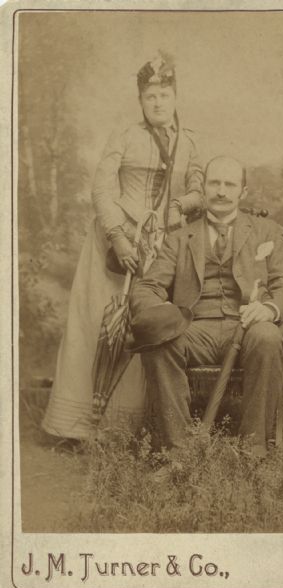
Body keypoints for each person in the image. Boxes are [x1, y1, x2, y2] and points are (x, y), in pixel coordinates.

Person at [42, 51, 204, 440]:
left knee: (144, 326)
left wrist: (181, 205)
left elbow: (199, 186)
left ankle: (130, 428)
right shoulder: (125, 135)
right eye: (150, 97)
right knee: (101, 327)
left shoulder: (190, 142)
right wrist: (118, 235)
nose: (158, 103)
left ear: (176, 97)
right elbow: (101, 188)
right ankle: (80, 426)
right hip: (115, 247)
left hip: (160, 248)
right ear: (140, 102)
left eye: (164, 95)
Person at [130, 156, 283, 458]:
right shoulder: (179, 239)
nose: (221, 191)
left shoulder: (267, 232)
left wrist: (270, 309)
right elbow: (147, 287)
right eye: (214, 183)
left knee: (268, 337)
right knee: (159, 342)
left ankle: (255, 451)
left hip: (248, 326)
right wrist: (163, 314)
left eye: (229, 184)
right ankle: (177, 453)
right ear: (203, 189)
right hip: (195, 329)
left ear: (242, 192)